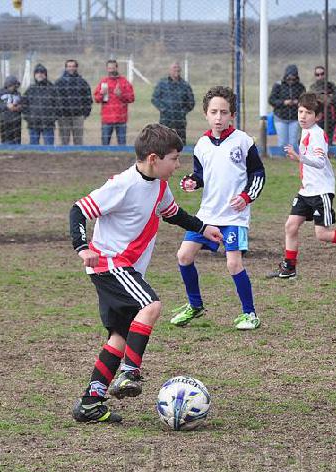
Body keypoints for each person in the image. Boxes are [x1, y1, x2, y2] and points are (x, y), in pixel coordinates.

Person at [68, 123, 224, 424]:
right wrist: (81, 247)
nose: (178, 165)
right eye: (174, 158)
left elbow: (174, 214)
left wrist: (204, 228)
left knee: (120, 337)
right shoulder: (122, 184)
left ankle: (90, 402)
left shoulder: (160, 185)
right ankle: (129, 373)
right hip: (110, 263)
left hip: (124, 268)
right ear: (154, 158)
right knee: (150, 305)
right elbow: (78, 209)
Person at [169, 86, 266, 331]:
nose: (219, 117)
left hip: (234, 216)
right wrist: (193, 181)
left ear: (232, 114)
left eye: (224, 112)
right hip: (207, 214)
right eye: (214, 112)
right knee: (184, 256)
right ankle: (195, 306)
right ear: (206, 114)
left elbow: (258, 173)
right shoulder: (201, 144)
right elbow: (202, 174)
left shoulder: (243, 141)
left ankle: (249, 313)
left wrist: (246, 197)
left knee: (233, 264)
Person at [266, 92, 336, 279]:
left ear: (317, 117)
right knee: (291, 226)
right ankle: (289, 267)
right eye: (300, 111)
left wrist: (299, 157)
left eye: (308, 112)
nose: (302, 116)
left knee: (322, 234)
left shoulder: (317, 135)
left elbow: (319, 162)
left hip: (321, 192)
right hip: (306, 191)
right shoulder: (306, 131)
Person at [94, 59, 136, 145]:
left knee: (122, 144)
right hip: (107, 119)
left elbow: (132, 98)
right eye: (109, 68)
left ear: (117, 68)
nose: (111, 70)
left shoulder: (124, 82)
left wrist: (121, 95)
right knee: (105, 144)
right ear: (107, 69)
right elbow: (96, 99)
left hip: (121, 118)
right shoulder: (103, 82)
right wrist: (102, 94)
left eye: (113, 68)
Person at [151, 62, 196, 143]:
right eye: (174, 67)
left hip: (180, 119)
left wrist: (183, 112)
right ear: (169, 70)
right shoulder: (162, 84)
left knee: (180, 142)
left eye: (178, 68)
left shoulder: (185, 85)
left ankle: (181, 155)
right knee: (163, 141)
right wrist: (163, 109)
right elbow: (154, 99)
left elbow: (191, 102)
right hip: (165, 118)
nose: (176, 69)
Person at [55, 59, 93, 145]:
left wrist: (85, 113)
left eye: (73, 66)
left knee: (78, 141)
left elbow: (88, 99)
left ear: (76, 67)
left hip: (78, 116)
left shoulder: (82, 82)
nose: (71, 68)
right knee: (64, 141)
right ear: (66, 68)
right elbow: (54, 99)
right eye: (69, 66)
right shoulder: (59, 82)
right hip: (63, 116)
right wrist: (57, 113)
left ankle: (78, 157)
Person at [269, 64, 306, 151]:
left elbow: (304, 100)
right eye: (289, 78)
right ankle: (281, 159)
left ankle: (292, 159)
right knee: (282, 142)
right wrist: (284, 102)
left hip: (295, 118)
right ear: (285, 77)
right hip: (280, 117)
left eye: (293, 79)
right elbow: (271, 100)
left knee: (293, 142)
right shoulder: (278, 86)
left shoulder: (300, 87)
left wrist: (298, 102)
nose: (291, 81)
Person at [22, 64, 57, 145]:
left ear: (45, 75)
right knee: (33, 148)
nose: (40, 74)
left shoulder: (52, 88)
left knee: (49, 148)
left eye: (42, 72)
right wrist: (28, 118)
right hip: (33, 123)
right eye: (37, 72)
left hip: (48, 124)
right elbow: (24, 104)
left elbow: (58, 105)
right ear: (34, 75)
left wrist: (52, 118)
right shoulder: (31, 89)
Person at [308, 65, 336, 145]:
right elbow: (311, 99)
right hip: (318, 117)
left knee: (329, 138)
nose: (320, 76)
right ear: (315, 76)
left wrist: (327, 99)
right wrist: (323, 98)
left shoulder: (331, 85)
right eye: (317, 74)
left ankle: (328, 152)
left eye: (322, 74)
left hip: (330, 116)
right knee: (318, 137)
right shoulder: (313, 87)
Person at [0, 75, 23, 144]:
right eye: (14, 85)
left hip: (16, 122)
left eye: (16, 85)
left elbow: (22, 105)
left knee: (17, 143)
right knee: (6, 142)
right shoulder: (0, 93)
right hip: (5, 122)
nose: (15, 87)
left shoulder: (18, 94)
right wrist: (6, 106)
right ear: (8, 84)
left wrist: (18, 108)